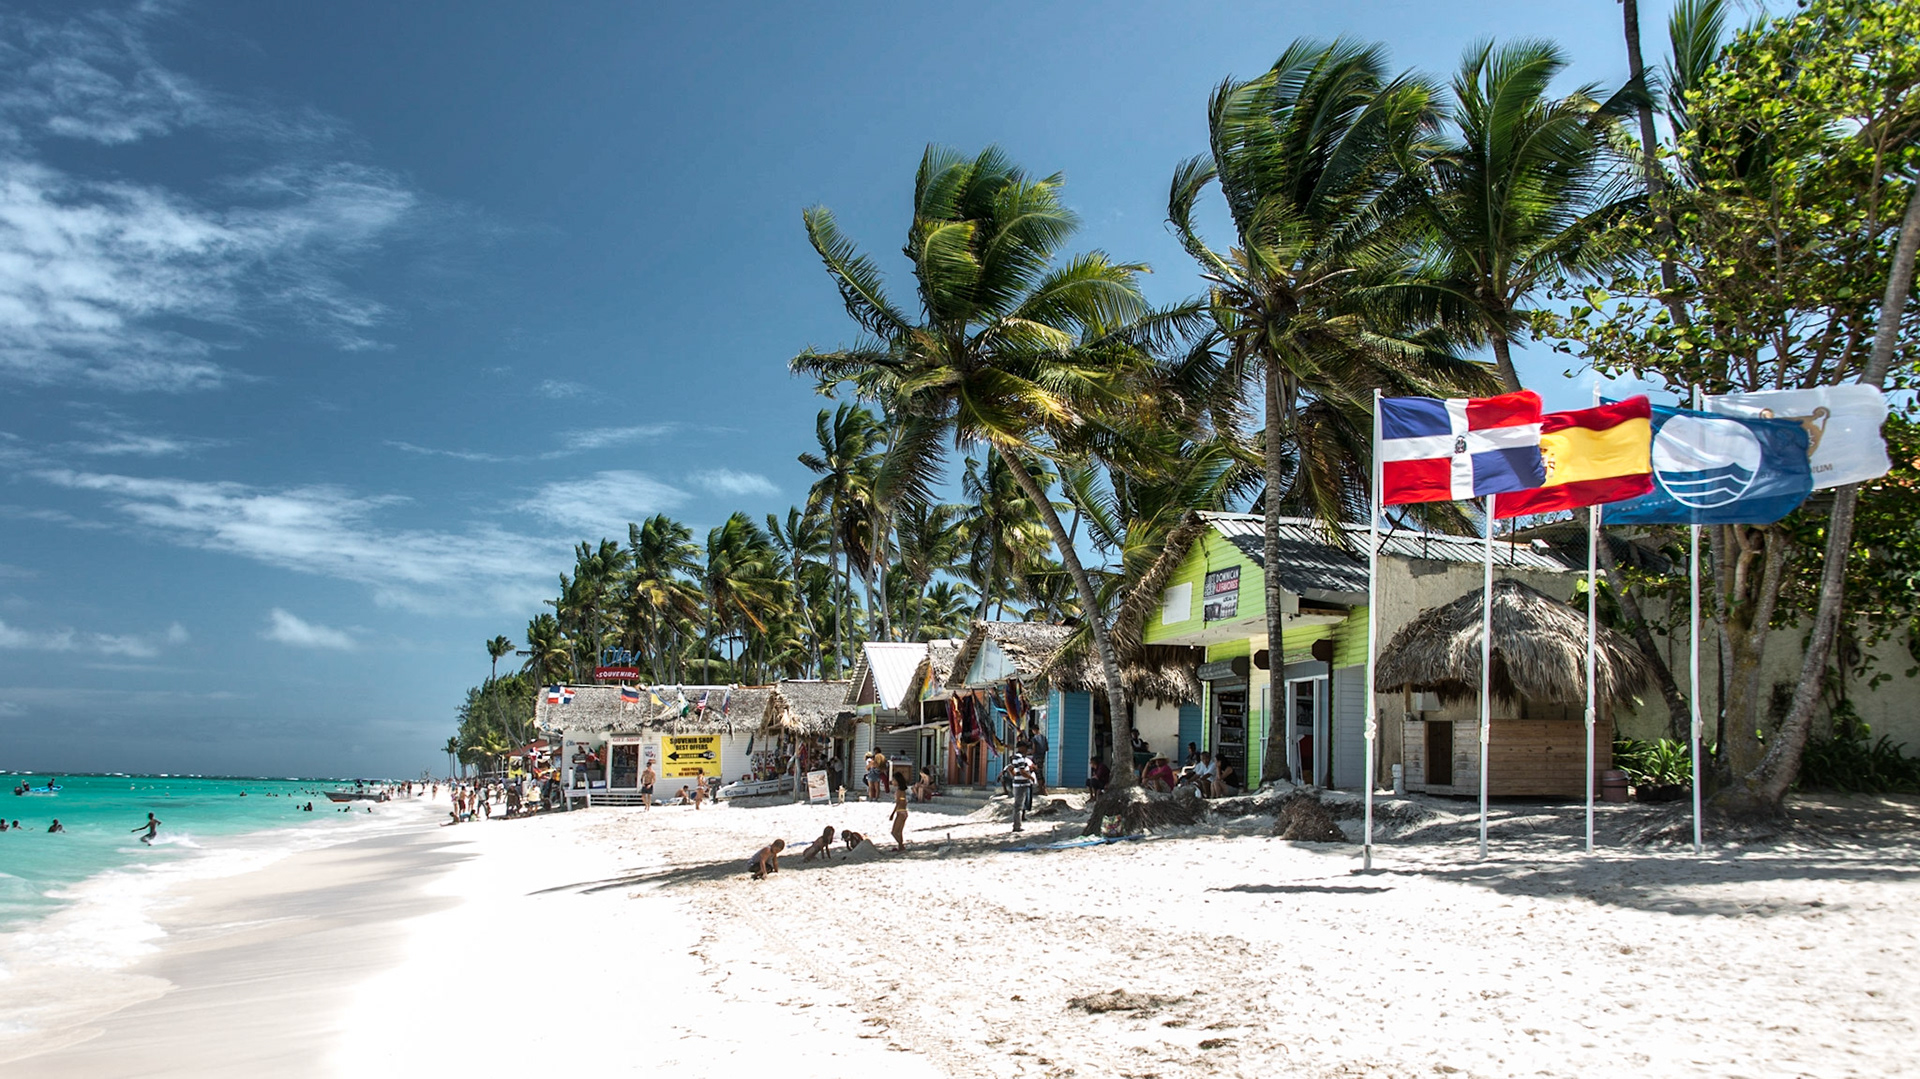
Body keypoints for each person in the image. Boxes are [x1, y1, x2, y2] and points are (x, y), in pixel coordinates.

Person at [1007, 750, 1036, 833]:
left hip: (1017, 783)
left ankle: (1018, 824)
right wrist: (1031, 777)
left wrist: (1015, 775)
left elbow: (1011, 770)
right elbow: (1022, 772)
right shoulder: (1021, 759)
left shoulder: (1015, 758)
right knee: (1018, 806)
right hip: (1021, 784)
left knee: (1020, 805)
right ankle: (1017, 826)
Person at [1027, 725, 1049, 796]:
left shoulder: (1034, 739)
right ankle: (1043, 789)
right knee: (1040, 772)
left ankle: (1041, 790)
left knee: (1037, 773)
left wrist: (1027, 752)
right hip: (1042, 757)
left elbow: (1034, 750)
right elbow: (1047, 749)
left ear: (1034, 730)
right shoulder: (1044, 737)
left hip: (1036, 757)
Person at [890, 784, 909, 851]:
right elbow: (904, 801)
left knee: (894, 832)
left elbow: (897, 802)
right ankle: (900, 847)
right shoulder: (903, 791)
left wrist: (892, 813)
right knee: (899, 832)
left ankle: (901, 845)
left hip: (900, 811)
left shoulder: (899, 791)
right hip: (904, 811)